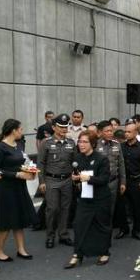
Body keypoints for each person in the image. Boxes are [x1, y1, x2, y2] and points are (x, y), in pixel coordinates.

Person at [0, 119, 37, 262]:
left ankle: (21, 249)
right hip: (5, 188)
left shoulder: (19, 145)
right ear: (13, 130)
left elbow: (23, 162)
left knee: (20, 219)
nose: (22, 132)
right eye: (21, 129)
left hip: (19, 186)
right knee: (6, 221)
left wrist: (30, 170)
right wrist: (16, 174)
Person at [64, 131, 112, 269]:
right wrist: (76, 179)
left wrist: (89, 178)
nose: (81, 144)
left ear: (92, 143)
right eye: (80, 141)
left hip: (101, 198)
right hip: (85, 198)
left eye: (85, 142)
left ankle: (104, 252)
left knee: (102, 225)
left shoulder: (101, 159)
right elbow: (77, 177)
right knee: (79, 224)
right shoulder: (78, 158)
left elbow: (104, 179)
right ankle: (77, 254)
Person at [37, 113, 76, 249]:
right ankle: (50, 236)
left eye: (66, 126)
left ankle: (63, 235)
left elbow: (74, 162)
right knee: (52, 209)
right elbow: (40, 163)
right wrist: (41, 181)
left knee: (66, 208)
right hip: (51, 179)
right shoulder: (46, 143)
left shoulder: (71, 143)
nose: (64, 129)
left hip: (67, 180)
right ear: (54, 127)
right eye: (61, 127)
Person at [119, 120, 140, 240]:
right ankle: (124, 229)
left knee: (137, 206)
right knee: (122, 207)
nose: (126, 134)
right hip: (122, 181)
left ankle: (136, 230)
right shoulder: (120, 147)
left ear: (136, 133)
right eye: (125, 131)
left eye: (129, 132)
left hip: (136, 181)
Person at [96, 121, 126, 226]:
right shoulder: (95, 144)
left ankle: (107, 230)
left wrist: (123, 182)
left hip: (113, 181)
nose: (110, 133)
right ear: (100, 132)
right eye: (107, 131)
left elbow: (121, 164)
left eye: (111, 130)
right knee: (99, 208)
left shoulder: (117, 144)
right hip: (99, 183)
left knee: (111, 208)